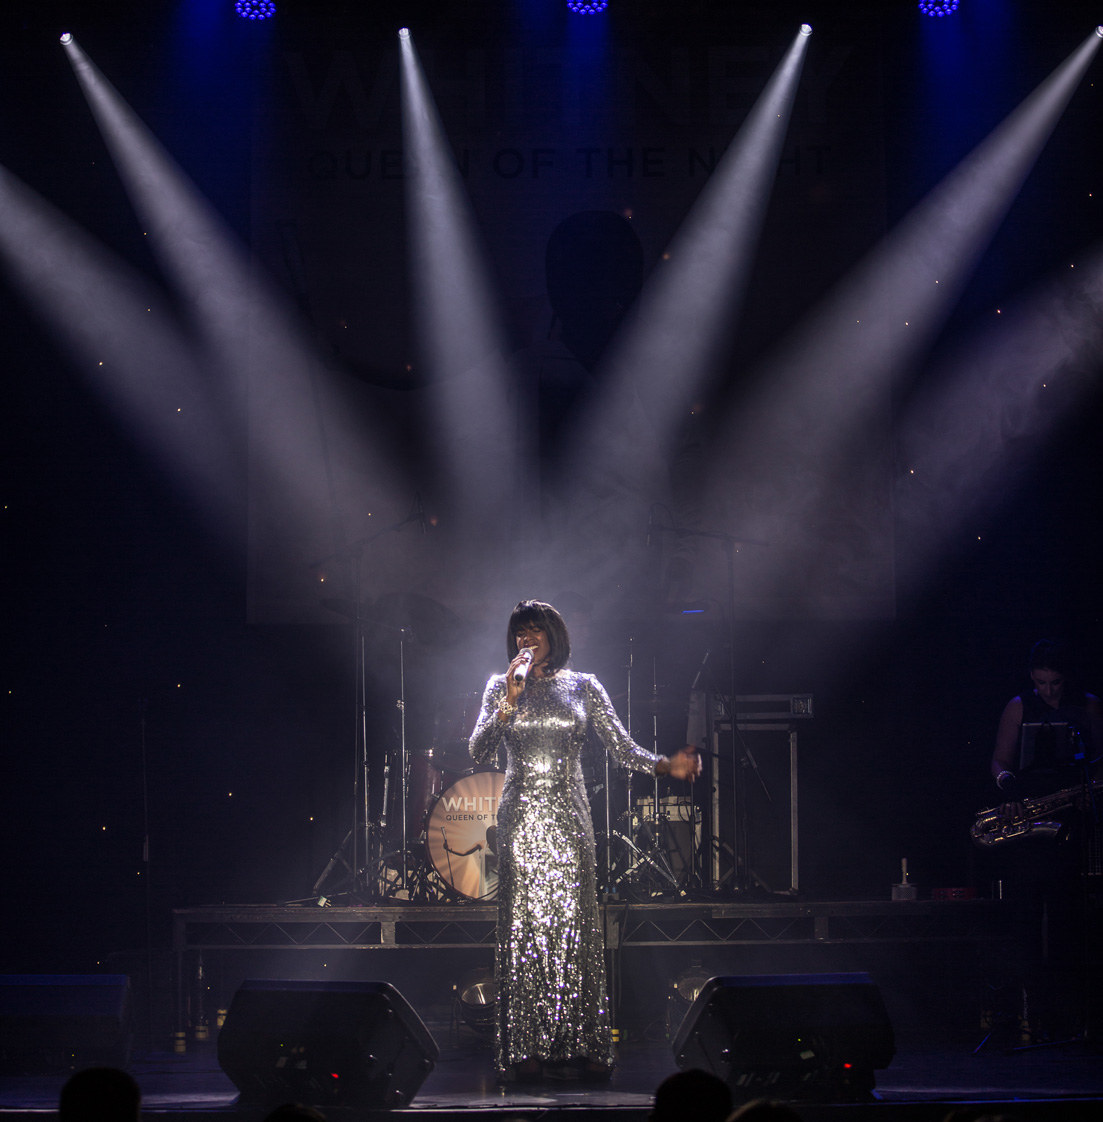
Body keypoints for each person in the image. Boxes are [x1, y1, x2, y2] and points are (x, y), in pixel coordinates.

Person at [469, 599, 700, 1082]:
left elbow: (622, 748)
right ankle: (525, 1044)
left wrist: (666, 766)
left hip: (569, 818)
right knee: (525, 929)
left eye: (535, 631)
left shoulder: (584, 685)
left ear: (553, 636)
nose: (526, 640)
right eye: (520, 633)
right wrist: (510, 700)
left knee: (575, 928)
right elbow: (478, 750)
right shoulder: (499, 686)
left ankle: (583, 1040)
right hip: (521, 820)